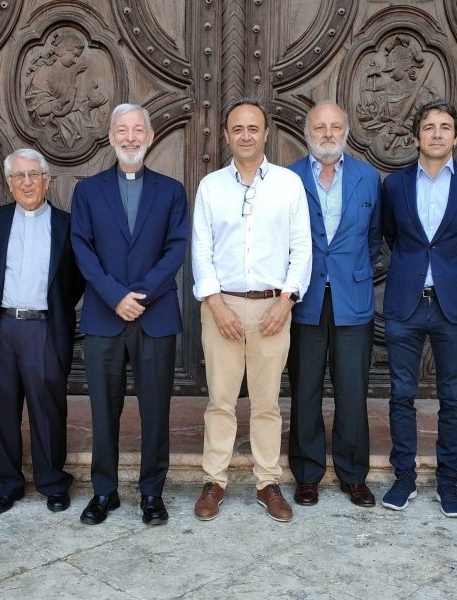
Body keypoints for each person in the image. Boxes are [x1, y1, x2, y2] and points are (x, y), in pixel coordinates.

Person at [191, 98, 312, 522]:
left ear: (266, 134)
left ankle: (267, 482)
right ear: (226, 135)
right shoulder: (210, 187)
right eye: (237, 128)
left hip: (271, 309)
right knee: (220, 401)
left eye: (253, 128)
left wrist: (287, 299)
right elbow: (201, 251)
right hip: (221, 306)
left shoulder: (287, 185)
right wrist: (214, 302)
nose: (245, 135)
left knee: (266, 403)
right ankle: (215, 481)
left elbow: (302, 248)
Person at [70, 103, 189, 525]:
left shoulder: (172, 190)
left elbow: (176, 247)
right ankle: (104, 492)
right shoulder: (88, 191)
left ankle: (152, 493)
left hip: (155, 318)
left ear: (151, 137)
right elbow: (82, 248)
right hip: (104, 318)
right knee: (104, 410)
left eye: (139, 130)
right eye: (123, 130)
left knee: (155, 411)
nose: (131, 137)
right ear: (110, 137)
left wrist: (139, 295)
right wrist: (115, 296)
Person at [379, 99, 457, 517]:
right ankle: (404, 477)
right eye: (429, 127)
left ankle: (449, 483)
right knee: (401, 394)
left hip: (454, 305)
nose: (438, 133)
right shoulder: (393, 185)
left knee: (452, 396)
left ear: (456, 136)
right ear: (416, 137)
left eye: (445, 127)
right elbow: (391, 235)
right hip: (406, 303)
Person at [285, 102, 382, 508]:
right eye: (320, 126)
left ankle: (353, 475)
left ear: (346, 130)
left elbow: (375, 237)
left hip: (352, 299)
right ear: (307, 132)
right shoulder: (287, 177)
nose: (327, 133)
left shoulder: (368, 177)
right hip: (304, 298)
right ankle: (307, 475)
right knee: (305, 389)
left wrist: (354, 272)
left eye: (335, 126)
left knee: (352, 389)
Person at [0, 149, 84, 515]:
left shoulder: (68, 225)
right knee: (2, 410)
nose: (27, 182)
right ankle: (6, 486)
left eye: (34, 175)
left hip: (44, 328)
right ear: (8, 182)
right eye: (19, 176)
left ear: (47, 180)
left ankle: (53, 482)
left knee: (48, 411)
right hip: (1, 327)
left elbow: (76, 281)